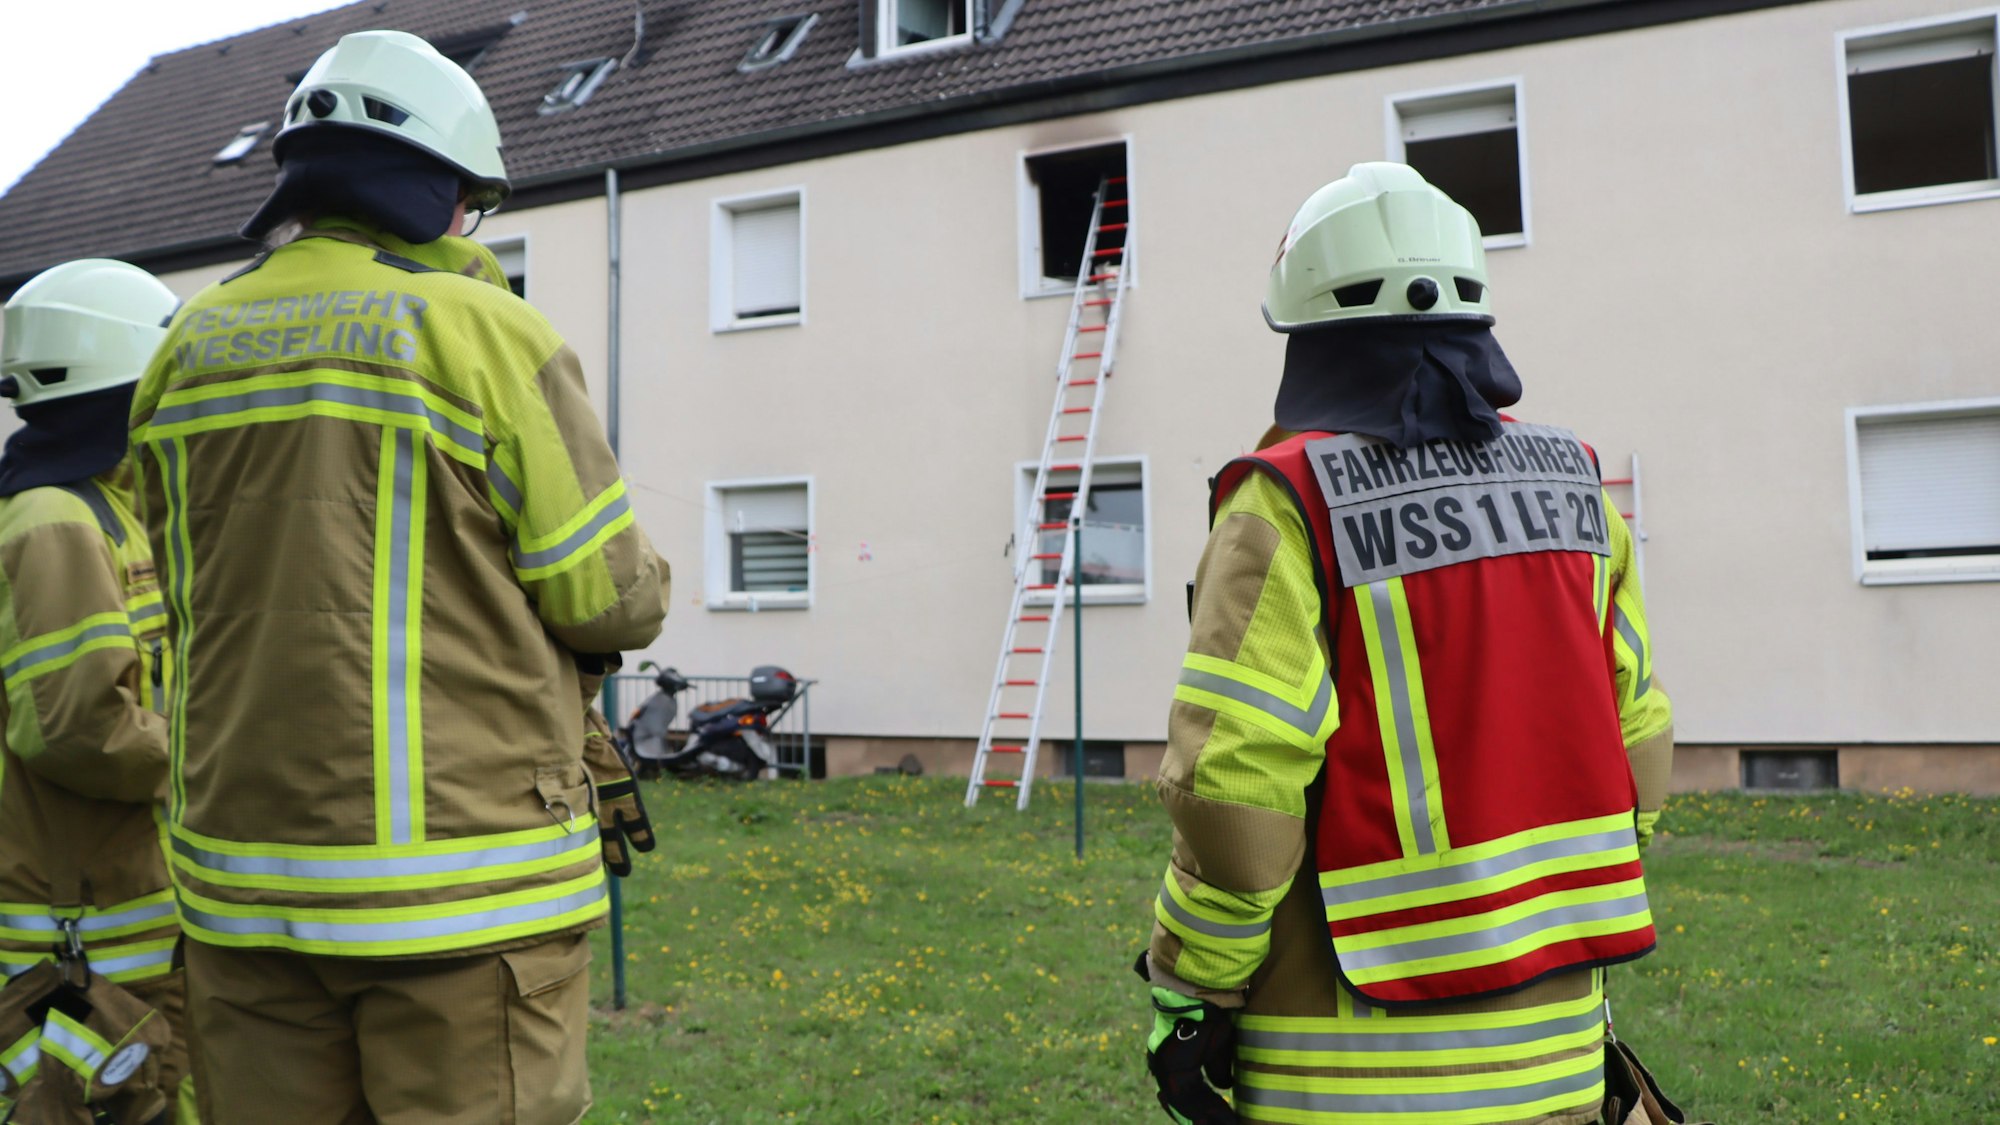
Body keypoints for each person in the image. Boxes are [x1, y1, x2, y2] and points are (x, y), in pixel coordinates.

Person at [127, 29, 668, 1125]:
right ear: (449, 197)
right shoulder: (480, 331)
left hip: (240, 881)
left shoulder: (183, 345)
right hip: (463, 892)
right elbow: (610, 596)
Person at [1139, 163, 1675, 1125]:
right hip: (1557, 1062)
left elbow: (1236, 786)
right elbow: (1637, 743)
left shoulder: (1285, 500)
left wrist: (1194, 991)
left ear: (1304, 326)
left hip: (1346, 1078)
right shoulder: (1579, 488)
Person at [0, 259, 201, 1122]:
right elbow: (80, 726)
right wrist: (223, 754)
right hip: (86, 942)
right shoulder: (55, 522)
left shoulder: (105, 506)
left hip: (127, 920)